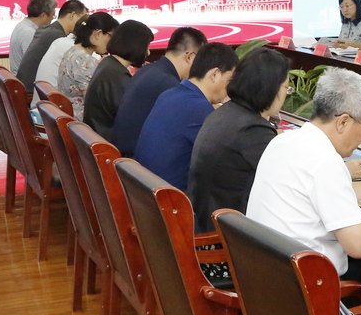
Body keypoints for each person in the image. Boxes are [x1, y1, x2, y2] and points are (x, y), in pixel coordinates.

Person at [247, 69, 361, 284]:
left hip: (268, 271)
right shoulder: (325, 161)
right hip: (309, 282)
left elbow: (323, 192)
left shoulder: (283, 141)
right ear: (343, 122)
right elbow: (359, 244)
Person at [187, 47, 290, 230]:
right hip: (225, 235)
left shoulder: (224, 113)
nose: (285, 94)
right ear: (271, 87)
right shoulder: (253, 130)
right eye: (286, 88)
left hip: (204, 221)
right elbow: (291, 181)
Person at [136, 43, 238, 194]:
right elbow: (224, 161)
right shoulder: (200, 108)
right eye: (229, 80)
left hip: (144, 189)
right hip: (171, 198)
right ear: (215, 74)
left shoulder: (169, 94)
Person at [114, 27, 206, 157]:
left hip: (126, 159)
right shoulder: (169, 84)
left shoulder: (149, 70)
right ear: (190, 57)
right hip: (137, 160)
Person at [82, 20, 153, 143]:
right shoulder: (115, 74)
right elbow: (133, 117)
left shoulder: (109, 64)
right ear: (135, 45)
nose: (148, 52)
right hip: (108, 144)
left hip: (96, 138)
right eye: (146, 46)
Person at [15, 0, 86, 90]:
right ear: (72, 15)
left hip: (29, 86)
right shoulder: (58, 37)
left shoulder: (47, 29)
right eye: (83, 19)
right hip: (32, 89)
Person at [53, 12, 116, 113]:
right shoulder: (85, 61)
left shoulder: (72, 51)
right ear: (98, 34)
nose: (112, 43)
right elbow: (95, 104)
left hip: (68, 114)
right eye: (111, 37)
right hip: (81, 119)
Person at [8, 0, 56, 72]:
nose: (52, 19)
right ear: (44, 15)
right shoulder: (29, 33)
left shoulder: (22, 25)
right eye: (53, 16)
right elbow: (33, 64)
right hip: (25, 78)